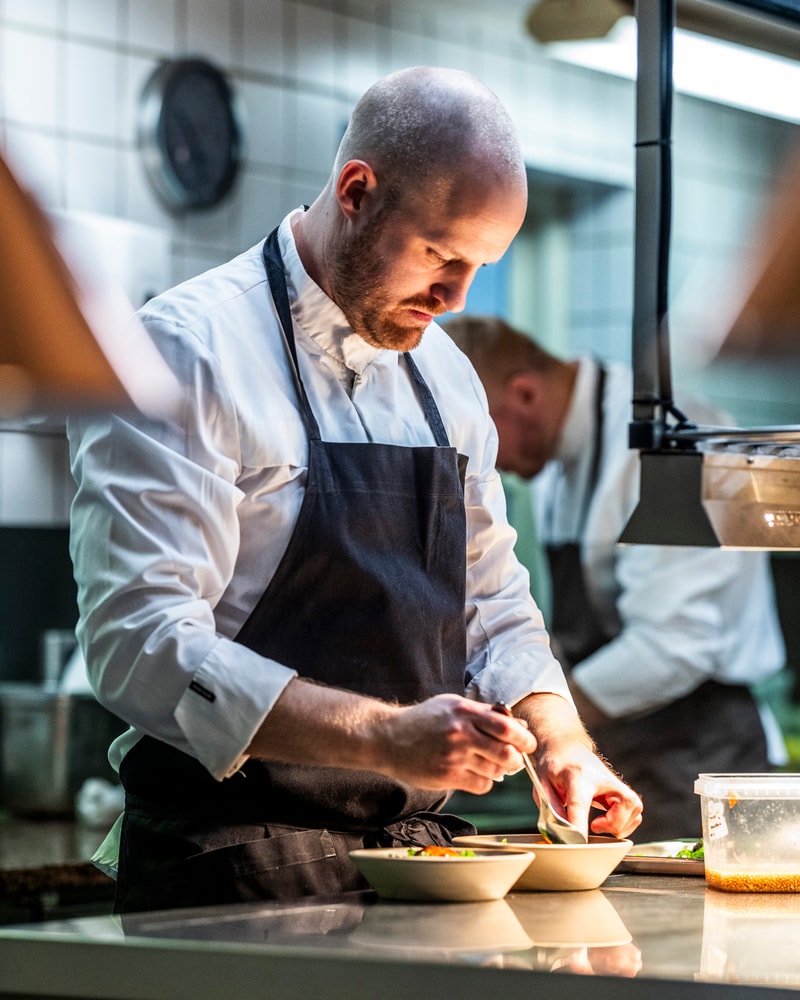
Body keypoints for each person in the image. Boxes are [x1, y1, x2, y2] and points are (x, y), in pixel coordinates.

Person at [68, 67, 642, 914]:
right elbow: (141, 646)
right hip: (225, 872)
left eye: (479, 266)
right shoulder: (185, 351)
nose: (455, 297)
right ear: (357, 191)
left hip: (414, 869)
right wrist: (384, 735)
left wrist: (562, 742)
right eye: (441, 255)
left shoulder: (445, 378)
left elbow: (494, 601)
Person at [444, 315, 787, 841]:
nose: (482, 459)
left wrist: (541, 723)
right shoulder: (557, 455)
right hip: (621, 754)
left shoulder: (669, 439)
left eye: (480, 432)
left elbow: (675, 645)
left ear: (525, 394)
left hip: (702, 758)